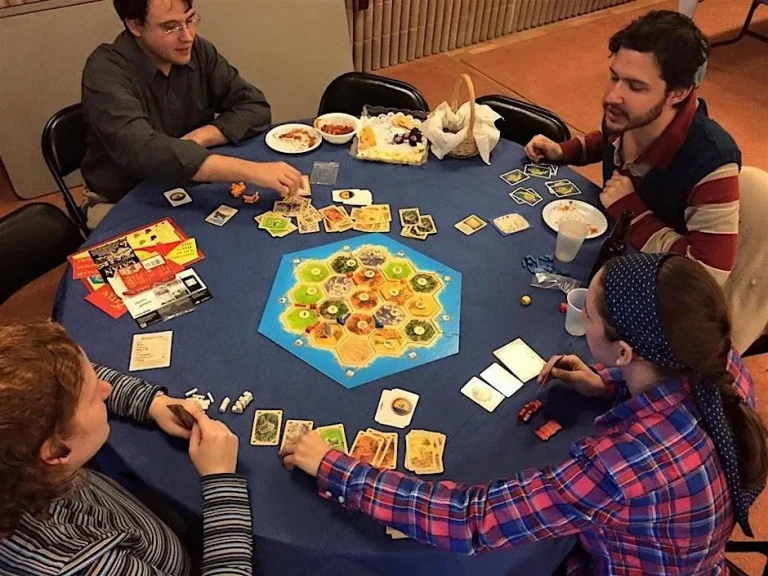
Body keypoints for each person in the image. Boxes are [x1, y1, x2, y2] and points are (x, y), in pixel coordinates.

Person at [281, 253, 768, 574]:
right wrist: (607, 384)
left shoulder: (620, 467)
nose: (581, 317)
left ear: (624, 350)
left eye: (588, 313)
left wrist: (336, 468)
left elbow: (472, 521)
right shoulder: (721, 362)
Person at [0, 322, 252, 575]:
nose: (107, 389)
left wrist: (152, 403)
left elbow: (71, 381)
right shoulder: (84, 566)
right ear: (55, 452)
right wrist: (221, 479)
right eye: (93, 396)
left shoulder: (21, 460)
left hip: (140, 526)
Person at [524, 11, 740, 285]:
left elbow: (707, 275)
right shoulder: (630, 115)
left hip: (657, 291)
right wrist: (567, 150)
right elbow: (608, 141)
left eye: (635, 86)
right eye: (614, 77)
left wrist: (632, 213)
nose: (613, 96)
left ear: (678, 92)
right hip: (610, 259)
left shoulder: (713, 162)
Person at [80, 0, 302, 228]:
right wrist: (250, 171)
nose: (187, 36)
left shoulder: (198, 51)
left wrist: (199, 138)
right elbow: (143, 151)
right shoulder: (104, 71)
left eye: (189, 20)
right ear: (135, 25)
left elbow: (254, 106)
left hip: (189, 186)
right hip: (121, 199)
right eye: (170, 27)